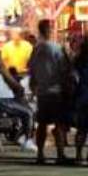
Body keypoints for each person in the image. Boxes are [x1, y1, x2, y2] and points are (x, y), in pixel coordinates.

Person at [27, 20, 73, 165]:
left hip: (42, 91)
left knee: (42, 124)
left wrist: (34, 86)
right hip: (56, 90)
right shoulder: (56, 49)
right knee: (58, 123)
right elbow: (64, 69)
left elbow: (31, 69)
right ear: (50, 30)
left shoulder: (36, 49)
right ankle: (60, 154)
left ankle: (40, 154)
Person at [0, 47, 36, 151]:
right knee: (29, 112)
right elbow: (13, 83)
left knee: (25, 107)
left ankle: (21, 137)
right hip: (2, 101)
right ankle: (26, 140)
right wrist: (21, 87)